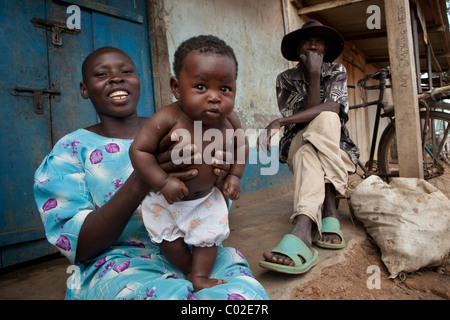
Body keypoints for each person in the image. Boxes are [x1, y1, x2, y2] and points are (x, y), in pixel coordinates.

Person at [33, 46, 268, 300]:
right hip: (120, 265)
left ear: (138, 81)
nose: (116, 78)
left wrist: (222, 178)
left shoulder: (191, 123)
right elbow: (79, 246)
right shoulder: (70, 151)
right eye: (102, 74)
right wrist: (142, 181)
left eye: (126, 71)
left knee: (245, 296)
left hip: (198, 255)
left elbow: (208, 209)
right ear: (84, 89)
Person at [129, 35, 248, 292]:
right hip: (165, 201)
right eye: (201, 87)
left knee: (208, 240)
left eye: (225, 89)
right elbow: (139, 150)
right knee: (169, 242)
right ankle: (185, 268)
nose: (215, 97)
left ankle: (199, 276)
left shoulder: (231, 121)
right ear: (176, 86)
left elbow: (241, 146)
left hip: (206, 198)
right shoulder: (168, 117)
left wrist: (234, 176)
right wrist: (163, 181)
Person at [257, 20, 359, 274]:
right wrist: (312, 76)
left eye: (319, 41)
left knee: (315, 141)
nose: (313, 45)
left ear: (325, 48)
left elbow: (333, 108)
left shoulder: (337, 71)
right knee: (310, 137)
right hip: (298, 141)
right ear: (298, 48)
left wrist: (281, 120)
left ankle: (303, 228)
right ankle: (330, 211)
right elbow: (310, 121)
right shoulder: (286, 79)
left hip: (337, 149)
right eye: (307, 40)